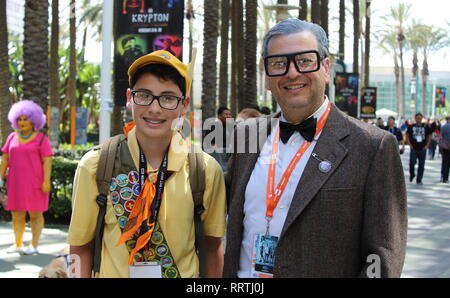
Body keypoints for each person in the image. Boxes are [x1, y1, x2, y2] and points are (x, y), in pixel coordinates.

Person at [223, 18, 407, 278]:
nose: (292, 72)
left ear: (326, 68)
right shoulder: (247, 135)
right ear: (266, 77)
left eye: (305, 60)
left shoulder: (372, 146)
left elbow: (383, 258)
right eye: (278, 63)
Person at [68, 50, 227, 278]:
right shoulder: (96, 165)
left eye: (168, 98)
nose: (155, 108)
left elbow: (213, 249)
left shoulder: (204, 169)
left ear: (184, 105)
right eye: (144, 95)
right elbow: (80, 248)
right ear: (129, 98)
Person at [0, 100, 53, 255]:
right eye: (20, 119)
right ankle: (18, 243)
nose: (22, 122)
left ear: (34, 120)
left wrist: (46, 181)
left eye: (26, 119)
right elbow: (5, 158)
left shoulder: (42, 139)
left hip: (36, 183)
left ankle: (34, 245)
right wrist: (0, 177)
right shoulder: (11, 137)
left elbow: (47, 160)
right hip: (15, 183)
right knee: (16, 214)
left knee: (35, 214)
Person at [405, 113, 432, 185]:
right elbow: (407, 135)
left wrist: (427, 145)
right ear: (415, 118)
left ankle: (419, 179)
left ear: (422, 118)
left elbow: (429, 136)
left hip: (422, 148)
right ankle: (412, 174)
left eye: (420, 118)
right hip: (414, 148)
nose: (418, 119)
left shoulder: (426, 127)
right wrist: (410, 145)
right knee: (412, 162)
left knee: (421, 164)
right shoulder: (411, 126)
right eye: (417, 118)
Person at [205, 106, 234, 172]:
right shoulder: (213, 126)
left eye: (229, 114)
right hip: (218, 154)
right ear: (219, 116)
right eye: (226, 114)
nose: (228, 116)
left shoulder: (231, 127)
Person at [440, 116, 450, 183]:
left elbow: (441, 136)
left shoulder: (443, 127)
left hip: (445, 146)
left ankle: (444, 176)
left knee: (445, 162)